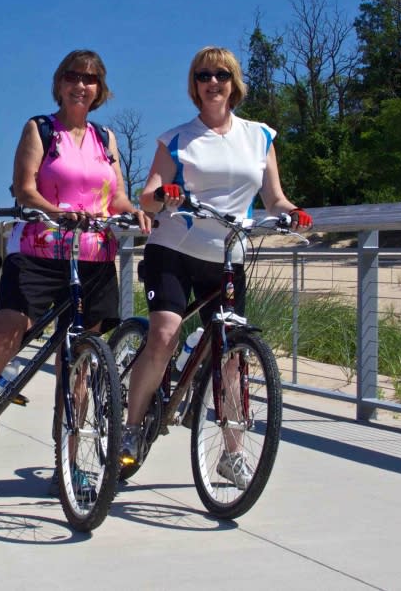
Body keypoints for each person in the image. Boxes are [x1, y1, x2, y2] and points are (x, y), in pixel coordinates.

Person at [0, 49, 151, 482]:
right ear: (60, 84)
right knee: (6, 338)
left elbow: (113, 197)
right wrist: (58, 211)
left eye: (91, 79)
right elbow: (24, 190)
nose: (81, 85)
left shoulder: (106, 139)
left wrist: (132, 211)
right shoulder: (40, 129)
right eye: (73, 77)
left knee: (80, 364)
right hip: (39, 253)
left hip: (94, 257)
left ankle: (70, 461)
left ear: (100, 89)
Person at [120, 46, 312, 488]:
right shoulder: (177, 139)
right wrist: (162, 196)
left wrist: (291, 212)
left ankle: (231, 453)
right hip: (174, 247)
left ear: (234, 83)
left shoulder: (260, 136)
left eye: (222, 75)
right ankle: (131, 429)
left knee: (232, 358)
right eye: (204, 75)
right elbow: (147, 194)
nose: (213, 82)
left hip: (228, 252)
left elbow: (274, 197)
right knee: (165, 333)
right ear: (194, 84)